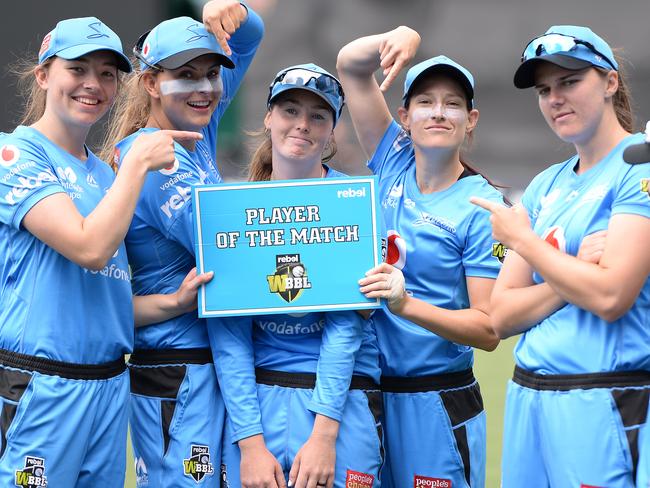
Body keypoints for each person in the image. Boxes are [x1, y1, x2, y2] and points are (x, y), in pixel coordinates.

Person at [0, 17, 198, 487]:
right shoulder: (15, 154)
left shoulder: (106, 178)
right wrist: (139, 163)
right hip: (43, 385)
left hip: (110, 386)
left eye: (108, 73)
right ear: (44, 75)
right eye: (78, 68)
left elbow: (104, 301)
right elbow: (89, 248)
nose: (94, 84)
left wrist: (175, 303)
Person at [470, 25, 650, 487]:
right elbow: (502, 314)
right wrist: (573, 276)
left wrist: (527, 244)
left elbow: (611, 296)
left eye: (570, 82)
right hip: (528, 397)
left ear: (610, 82)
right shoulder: (546, 184)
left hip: (603, 398)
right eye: (545, 89)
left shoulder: (640, 165)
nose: (555, 99)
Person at [100, 1, 264, 486]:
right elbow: (223, 242)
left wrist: (231, 9)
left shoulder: (195, 130)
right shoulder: (153, 157)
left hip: (205, 363)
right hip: (175, 370)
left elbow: (251, 35)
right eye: (188, 74)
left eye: (213, 73)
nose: (205, 87)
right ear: (151, 82)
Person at [337, 27, 505, 487]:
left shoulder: (482, 207)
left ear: (471, 119)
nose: (438, 112)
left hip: (436, 402)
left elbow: (489, 329)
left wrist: (406, 304)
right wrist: (400, 35)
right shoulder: (393, 157)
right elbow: (351, 64)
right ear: (404, 115)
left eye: (452, 103)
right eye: (426, 102)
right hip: (365, 398)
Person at [209, 63, 383, 488]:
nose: (302, 125)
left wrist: (324, 436)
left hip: (338, 407)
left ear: (333, 130)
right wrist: (250, 444)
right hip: (258, 406)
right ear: (268, 117)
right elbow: (230, 338)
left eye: (318, 115)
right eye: (289, 110)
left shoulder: (351, 204)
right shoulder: (232, 209)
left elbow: (345, 329)